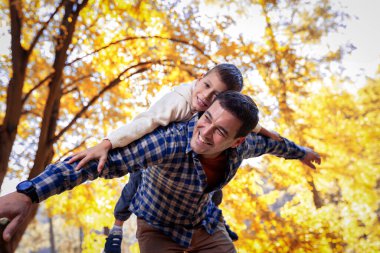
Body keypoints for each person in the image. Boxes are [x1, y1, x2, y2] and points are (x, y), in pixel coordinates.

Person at [0, 91, 321, 253]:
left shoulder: (246, 146)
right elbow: (97, 165)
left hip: (204, 225)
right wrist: (29, 192)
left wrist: (302, 153)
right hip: (157, 228)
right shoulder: (167, 143)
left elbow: (275, 146)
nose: (205, 132)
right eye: (206, 118)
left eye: (220, 132)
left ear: (238, 140)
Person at [69, 64, 280, 252]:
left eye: (216, 96)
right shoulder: (179, 101)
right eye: (206, 85)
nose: (206, 96)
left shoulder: (220, 114)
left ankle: (217, 222)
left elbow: (242, 119)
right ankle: (117, 229)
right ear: (199, 79)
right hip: (155, 154)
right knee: (133, 188)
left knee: (213, 189)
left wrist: (265, 131)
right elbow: (146, 121)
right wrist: (108, 143)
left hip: (189, 163)